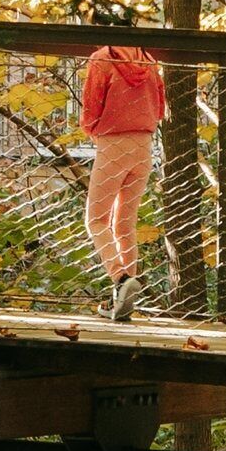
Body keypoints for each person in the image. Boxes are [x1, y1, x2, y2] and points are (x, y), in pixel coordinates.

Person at [77, 18, 165, 322]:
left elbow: (91, 107)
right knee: (125, 223)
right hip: (144, 146)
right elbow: (160, 108)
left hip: (113, 143)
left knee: (96, 219)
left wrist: (92, 130)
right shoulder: (149, 60)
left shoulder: (102, 58)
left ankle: (120, 279)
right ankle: (124, 302)